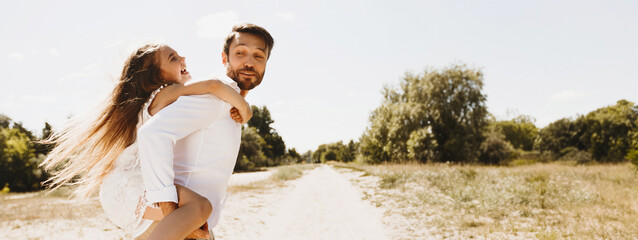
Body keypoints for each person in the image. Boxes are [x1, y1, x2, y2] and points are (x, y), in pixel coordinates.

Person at [40, 43, 252, 239]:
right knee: (200, 207)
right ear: (156, 77)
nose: (183, 58)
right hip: (133, 185)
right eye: (173, 58)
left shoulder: (151, 103)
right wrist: (244, 107)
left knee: (195, 217)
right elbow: (213, 85)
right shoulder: (165, 94)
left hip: (122, 189)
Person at [137, 23, 274, 240]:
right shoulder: (216, 99)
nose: (249, 62)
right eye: (240, 53)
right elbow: (152, 134)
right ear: (224, 58)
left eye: (259, 56)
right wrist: (169, 212)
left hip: (192, 226)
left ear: (266, 64)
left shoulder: (230, 104)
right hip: (174, 226)